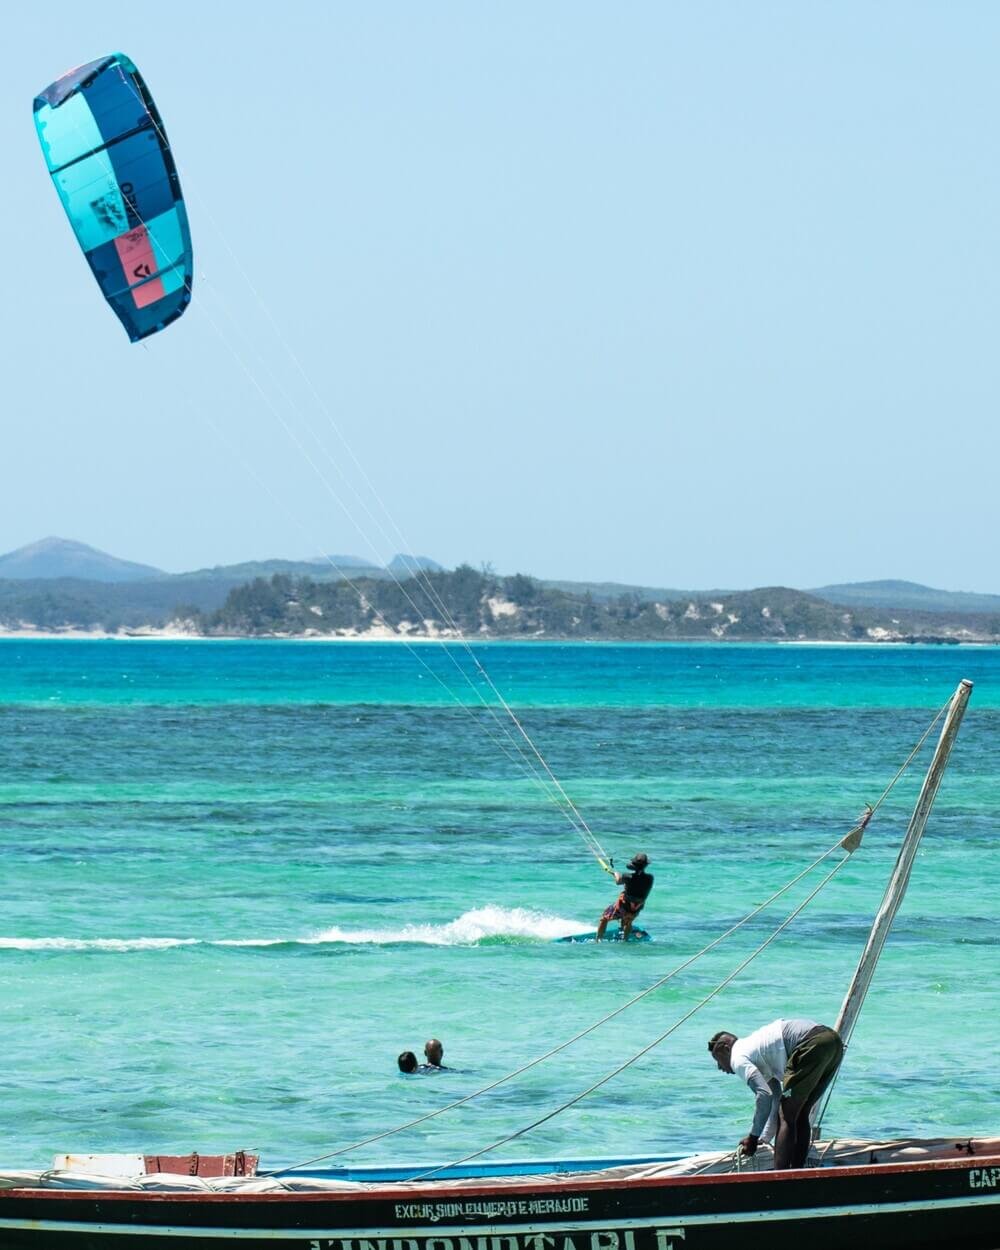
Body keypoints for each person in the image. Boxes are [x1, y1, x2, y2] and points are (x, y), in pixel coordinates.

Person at [707, 1017, 844, 1169]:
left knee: (787, 1114)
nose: (719, 1067)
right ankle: (798, 1171)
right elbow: (774, 1099)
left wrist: (753, 1137)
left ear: (726, 1048)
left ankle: (780, 1176)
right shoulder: (755, 1049)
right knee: (800, 1112)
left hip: (810, 1043)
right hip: (833, 1042)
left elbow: (763, 1094)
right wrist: (764, 1138)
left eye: (717, 1059)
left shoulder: (737, 1057)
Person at [596, 853, 653, 941]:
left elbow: (618, 881)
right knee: (628, 921)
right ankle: (625, 939)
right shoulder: (650, 878)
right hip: (637, 908)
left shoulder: (627, 876)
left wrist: (616, 874)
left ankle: (598, 940)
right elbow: (637, 881)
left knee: (604, 918)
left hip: (624, 906)